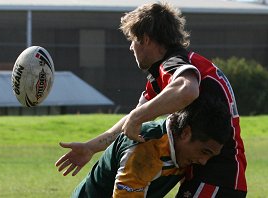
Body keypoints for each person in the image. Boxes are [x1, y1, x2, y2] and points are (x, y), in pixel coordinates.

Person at [56, 2, 247, 197]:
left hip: (218, 172)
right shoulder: (163, 76)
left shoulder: (174, 64)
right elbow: (131, 120)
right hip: (209, 169)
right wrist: (91, 147)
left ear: (145, 39)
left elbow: (187, 90)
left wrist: (138, 117)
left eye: (132, 40)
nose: (131, 47)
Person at [57, 94, 232, 197]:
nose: (203, 162)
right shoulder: (145, 150)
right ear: (185, 133)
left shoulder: (179, 147)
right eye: (204, 152)